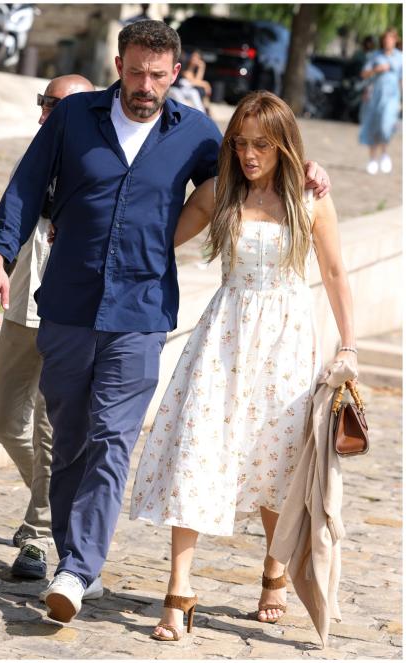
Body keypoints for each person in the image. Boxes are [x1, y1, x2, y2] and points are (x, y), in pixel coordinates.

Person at [0, 20, 330, 625]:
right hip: (66, 302)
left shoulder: (194, 132)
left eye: (158, 75)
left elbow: (252, 161)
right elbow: (25, 187)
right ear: (119, 64)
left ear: (175, 72)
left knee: (113, 438)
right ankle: (73, 555)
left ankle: (77, 569)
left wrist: (306, 167)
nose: (146, 85)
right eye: (136, 71)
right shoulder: (73, 118)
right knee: (70, 438)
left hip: (139, 312)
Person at [129, 90, 356, 642]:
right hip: (224, 336)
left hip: (287, 343)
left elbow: (332, 272)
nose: (250, 154)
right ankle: (179, 590)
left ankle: (274, 571)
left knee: (275, 464)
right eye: (241, 142)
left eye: (261, 144)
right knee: (197, 451)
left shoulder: (310, 198)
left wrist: (347, 348)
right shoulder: (217, 193)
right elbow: (155, 239)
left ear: (284, 145)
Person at [0, 75, 94, 582]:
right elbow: (6, 235)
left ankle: (37, 535)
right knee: (3, 421)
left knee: (49, 430)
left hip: (68, 315)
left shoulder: (100, 162)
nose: (45, 113)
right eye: (44, 103)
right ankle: (58, 497)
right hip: (18, 309)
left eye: (56, 106)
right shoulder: (32, 158)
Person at [359, 28, 402, 175]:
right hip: (375, 96)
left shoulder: (401, 57)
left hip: (392, 97)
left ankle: (384, 153)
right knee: (373, 126)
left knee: (385, 126)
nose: (387, 42)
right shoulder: (375, 56)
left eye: (390, 39)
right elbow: (364, 74)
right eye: (385, 39)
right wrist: (376, 69)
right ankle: (372, 159)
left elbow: (402, 80)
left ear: (395, 40)